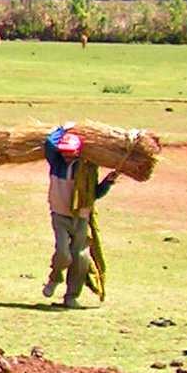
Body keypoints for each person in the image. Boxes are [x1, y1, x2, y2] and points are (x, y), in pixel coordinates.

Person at [43, 125, 119, 308]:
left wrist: (108, 182)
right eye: (64, 152)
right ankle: (55, 277)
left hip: (81, 216)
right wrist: (62, 129)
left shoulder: (87, 170)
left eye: (70, 153)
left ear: (78, 152)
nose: (66, 156)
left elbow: (94, 193)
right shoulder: (56, 162)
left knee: (80, 258)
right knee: (63, 253)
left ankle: (71, 297)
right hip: (59, 214)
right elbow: (48, 143)